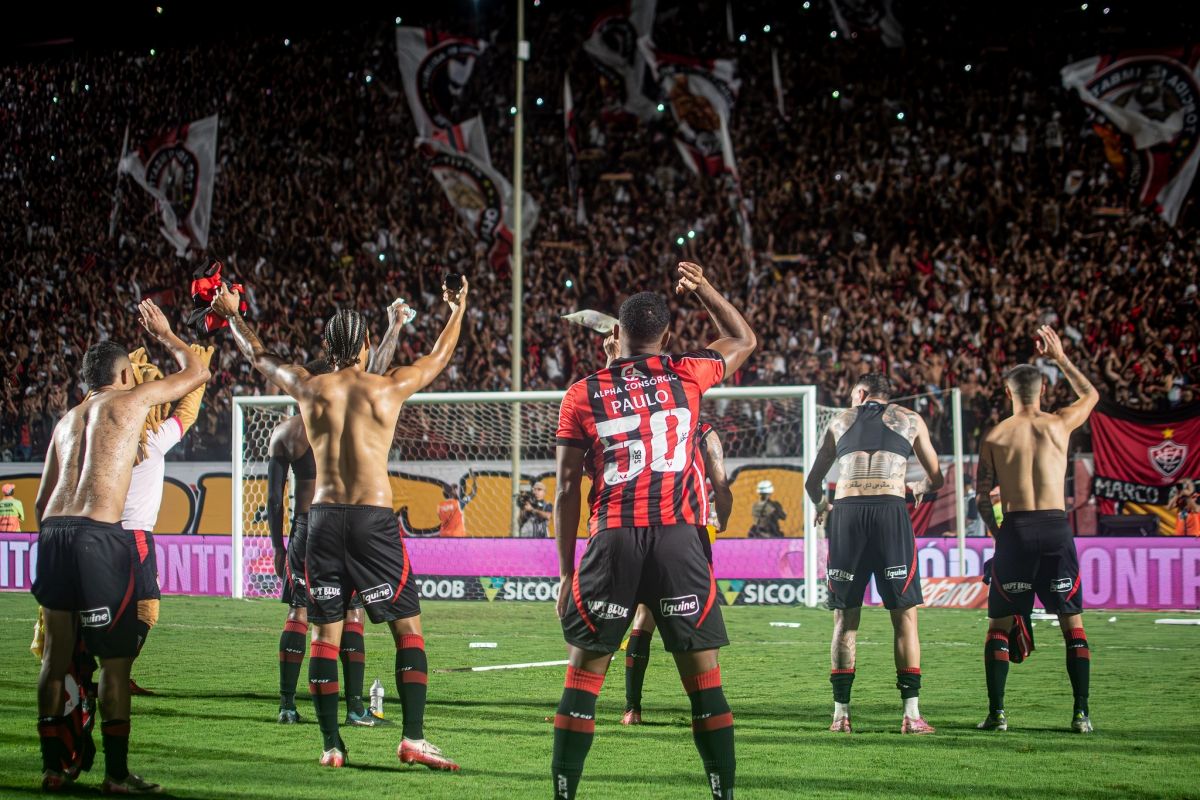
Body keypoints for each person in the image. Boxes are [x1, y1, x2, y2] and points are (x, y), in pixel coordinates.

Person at [212, 281, 466, 770]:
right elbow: (439, 356)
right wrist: (458, 308)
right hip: (373, 520)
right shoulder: (387, 386)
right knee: (407, 631)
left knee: (323, 635)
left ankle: (331, 745)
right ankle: (412, 738)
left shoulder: (310, 386)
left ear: (328, 349)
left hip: (322, 519)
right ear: (367, 346)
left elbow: (259, 356)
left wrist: (231, 315)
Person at [551, 261, 755, 800]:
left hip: (613, 537)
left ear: (615, 334)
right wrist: (706, 289)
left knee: (583, 681)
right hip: (678, 539)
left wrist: (567, 572)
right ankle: (723, 794)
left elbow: (566, 490)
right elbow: (742, 337)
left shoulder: (581, 392)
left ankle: (564, 794)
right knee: (705, 684)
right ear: (666, 336)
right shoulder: (688, 371)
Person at [31, 299, 209, 793]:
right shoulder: (131, 401)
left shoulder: (65, 422)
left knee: (55, 657)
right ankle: (115, 775)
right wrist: (169, 334)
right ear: (125, 373)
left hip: (53, 533)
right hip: (98, 537)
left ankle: (53, 768)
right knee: (115, 664)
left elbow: (43, 497)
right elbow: (195, 374)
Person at [269, 300, 407, 726]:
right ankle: (354, 708)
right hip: (348, 517)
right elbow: (375, 373)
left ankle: (289, 705)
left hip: (306, 527)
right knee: (351, 614)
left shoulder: (287, 431)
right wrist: (394, 328)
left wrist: (277, 547)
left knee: (300, 614)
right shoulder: (352, 409)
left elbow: (275, 500)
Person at [975, 326, 1099, 734]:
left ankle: (998, 715)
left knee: (999, 625)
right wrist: (1061, 357)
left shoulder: (994, 436)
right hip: (1055, 527)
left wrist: (999, 536)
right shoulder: (1059, 423)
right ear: (1043, 389)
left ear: (1007, 391)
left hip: (1015, 529)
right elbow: (1091, 396)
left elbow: (980, 499)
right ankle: (1081, 714)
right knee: (1073, 624)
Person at [805, 372, 944, 735]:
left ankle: (840, 716)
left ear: (862, 393)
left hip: (847, 513)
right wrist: (916, 486)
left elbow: (812, 481)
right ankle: (911, 716)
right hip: (889, 511)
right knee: (905, 618)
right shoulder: (910, 420)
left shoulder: (840, 420)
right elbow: (937, 478)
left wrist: (823, 505)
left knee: (844, 620)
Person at [623, 420, 733, 726]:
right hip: (687, 532)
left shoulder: (643, 421)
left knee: (644, 614)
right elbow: (721, 485)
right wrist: (722, 518)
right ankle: (709, 706)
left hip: (639, 528)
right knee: (702, 617)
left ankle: (632, 708)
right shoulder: (703, 430)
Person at [120, 343, 214, 696]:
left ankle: (83, 675)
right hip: (135, 535)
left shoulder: (110, 433)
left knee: (101, 607)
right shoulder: (151, 439)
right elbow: (186, 415)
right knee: (147, 607)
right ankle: (119, 674)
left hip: (100, 532)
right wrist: (199, 377)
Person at [437, 470, 477, 537]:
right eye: (454, 490)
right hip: (457, 536)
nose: (456, 491)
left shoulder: (440, 506)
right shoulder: (459, 503)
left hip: (444, 535)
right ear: (453, 493)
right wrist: (474, 480)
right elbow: (473, 493)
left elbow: (441, 517)